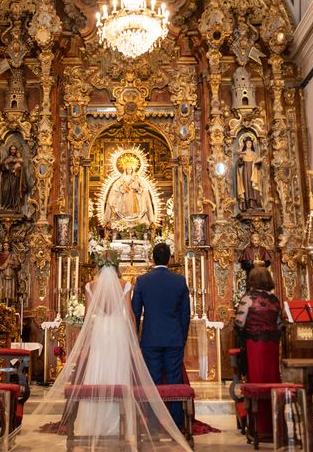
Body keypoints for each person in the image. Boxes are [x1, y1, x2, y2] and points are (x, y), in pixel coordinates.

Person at [17, 249, 191, 450]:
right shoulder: (126, 285)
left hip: (100, 335)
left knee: (98, 373)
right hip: (119, 334)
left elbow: (89, 317)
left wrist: (88, 339)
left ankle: (96, 422)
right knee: (125, 376)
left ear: (99, 264)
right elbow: (131, 315)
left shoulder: (90, 286)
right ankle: (151, 424)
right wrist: (134, 337)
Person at [132, 242, 191, 431]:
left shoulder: (142, 281)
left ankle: (154, 423)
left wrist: (136, 336)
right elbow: (185, 314)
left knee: (153, 381)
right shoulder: (179, 281)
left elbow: (135, 312)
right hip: (173, 337)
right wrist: (181, 338)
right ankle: (176, 423)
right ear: (169, 259)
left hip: (150, 338)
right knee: (174, 381)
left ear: (152, 258)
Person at [235, 266, 282, 441]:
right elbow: (279, 324)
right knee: (272, 380)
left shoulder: (248, 299)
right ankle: (274, 425)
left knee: (257, 380)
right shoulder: (275, 300)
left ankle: (258, 427)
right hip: (271, 346)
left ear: (252, 280)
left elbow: (239, 323)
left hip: (255, 345)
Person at [104, 159, 155, 227]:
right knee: (124, 212)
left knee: (135, 212)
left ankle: (136, 224)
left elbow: (144, 188)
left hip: (135, 198)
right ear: (125, 170)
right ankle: (124, 225)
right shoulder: (122, 179)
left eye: (130, 169)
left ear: (132, 169)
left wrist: (138, 189)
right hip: (124, 199)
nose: (129, 170)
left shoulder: (137, 178)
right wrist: (122, 190)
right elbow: (116, 189)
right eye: (127, 169)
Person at [236, 137, 263, 211]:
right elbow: (239, 165)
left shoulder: (255, 154)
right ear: (245, 144)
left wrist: (258, 163)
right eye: (247, 143)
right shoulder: (243, 154)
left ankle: (254, 204)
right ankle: (247, 205)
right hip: (245, 172)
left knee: (253, 187)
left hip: (253, 173)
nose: (249, 144)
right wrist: (240, 159)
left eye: (250, 143)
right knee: (247, 186)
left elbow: (259, 166)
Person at [0, 144, 27, 213]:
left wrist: (17, 169)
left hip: (15, 178)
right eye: (12, 149)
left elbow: (21, 167)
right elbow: (1, 166)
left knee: (14, 192)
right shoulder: (7, 158)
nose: (13, 151)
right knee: (5, 190)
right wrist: (6, 163)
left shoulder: (18, 159)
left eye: (14, 149)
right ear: (9, 150)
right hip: (7, 178)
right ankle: (5, 206)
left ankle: (14, 206)